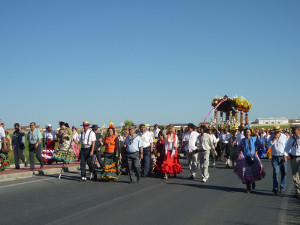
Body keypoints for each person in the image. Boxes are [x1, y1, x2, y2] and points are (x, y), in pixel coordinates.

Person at [234, 128, 265, 193]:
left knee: (254, 171)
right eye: (246, 132)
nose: (247, 133)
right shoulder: (242, 140)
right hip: (246, 158)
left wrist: (259, 139)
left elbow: (260, 145)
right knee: (246, 172)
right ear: (244, 133)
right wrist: (240, 152)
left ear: (251, 133)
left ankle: (253, 181)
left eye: (249, 132)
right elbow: (239, 148)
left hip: (254, 157)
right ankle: (248, 187)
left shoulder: (254, 139)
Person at [267, 126, 288, 195]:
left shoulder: (284, 137)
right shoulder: (271, 137)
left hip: (282, 157)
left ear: (280, 131)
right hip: (275, 157)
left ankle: (282, 187)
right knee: (276, 172)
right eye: (275, 132)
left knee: (284, 172)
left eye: (277, 132)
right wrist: (273, 140)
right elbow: (268, 146)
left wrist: (285, 155)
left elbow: (287, 147)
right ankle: (275, 188)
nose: (276, 133)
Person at [284, 125, 300, 198]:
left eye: (295, 129)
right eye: (292, 130)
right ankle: (298, 191)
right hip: (293, 157)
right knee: (295, 175)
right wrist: (285, 155)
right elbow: (287, 147)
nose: (293, 131)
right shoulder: (291, 139)